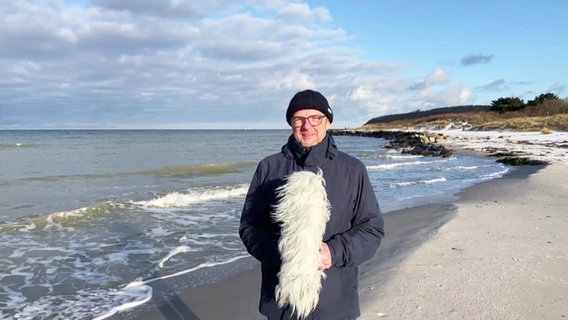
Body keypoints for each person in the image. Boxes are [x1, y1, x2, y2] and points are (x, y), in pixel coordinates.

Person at [239, 89, 385, 320]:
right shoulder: (268, 168)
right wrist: (288, 253)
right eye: (299, 119)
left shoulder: (352, 169)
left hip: (336, 304)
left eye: (315, 118)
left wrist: (333, 252)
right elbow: (249, 228)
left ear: (327, 121)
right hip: (283, 305)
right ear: (291, 123)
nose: (307, 126)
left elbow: (372, 229)